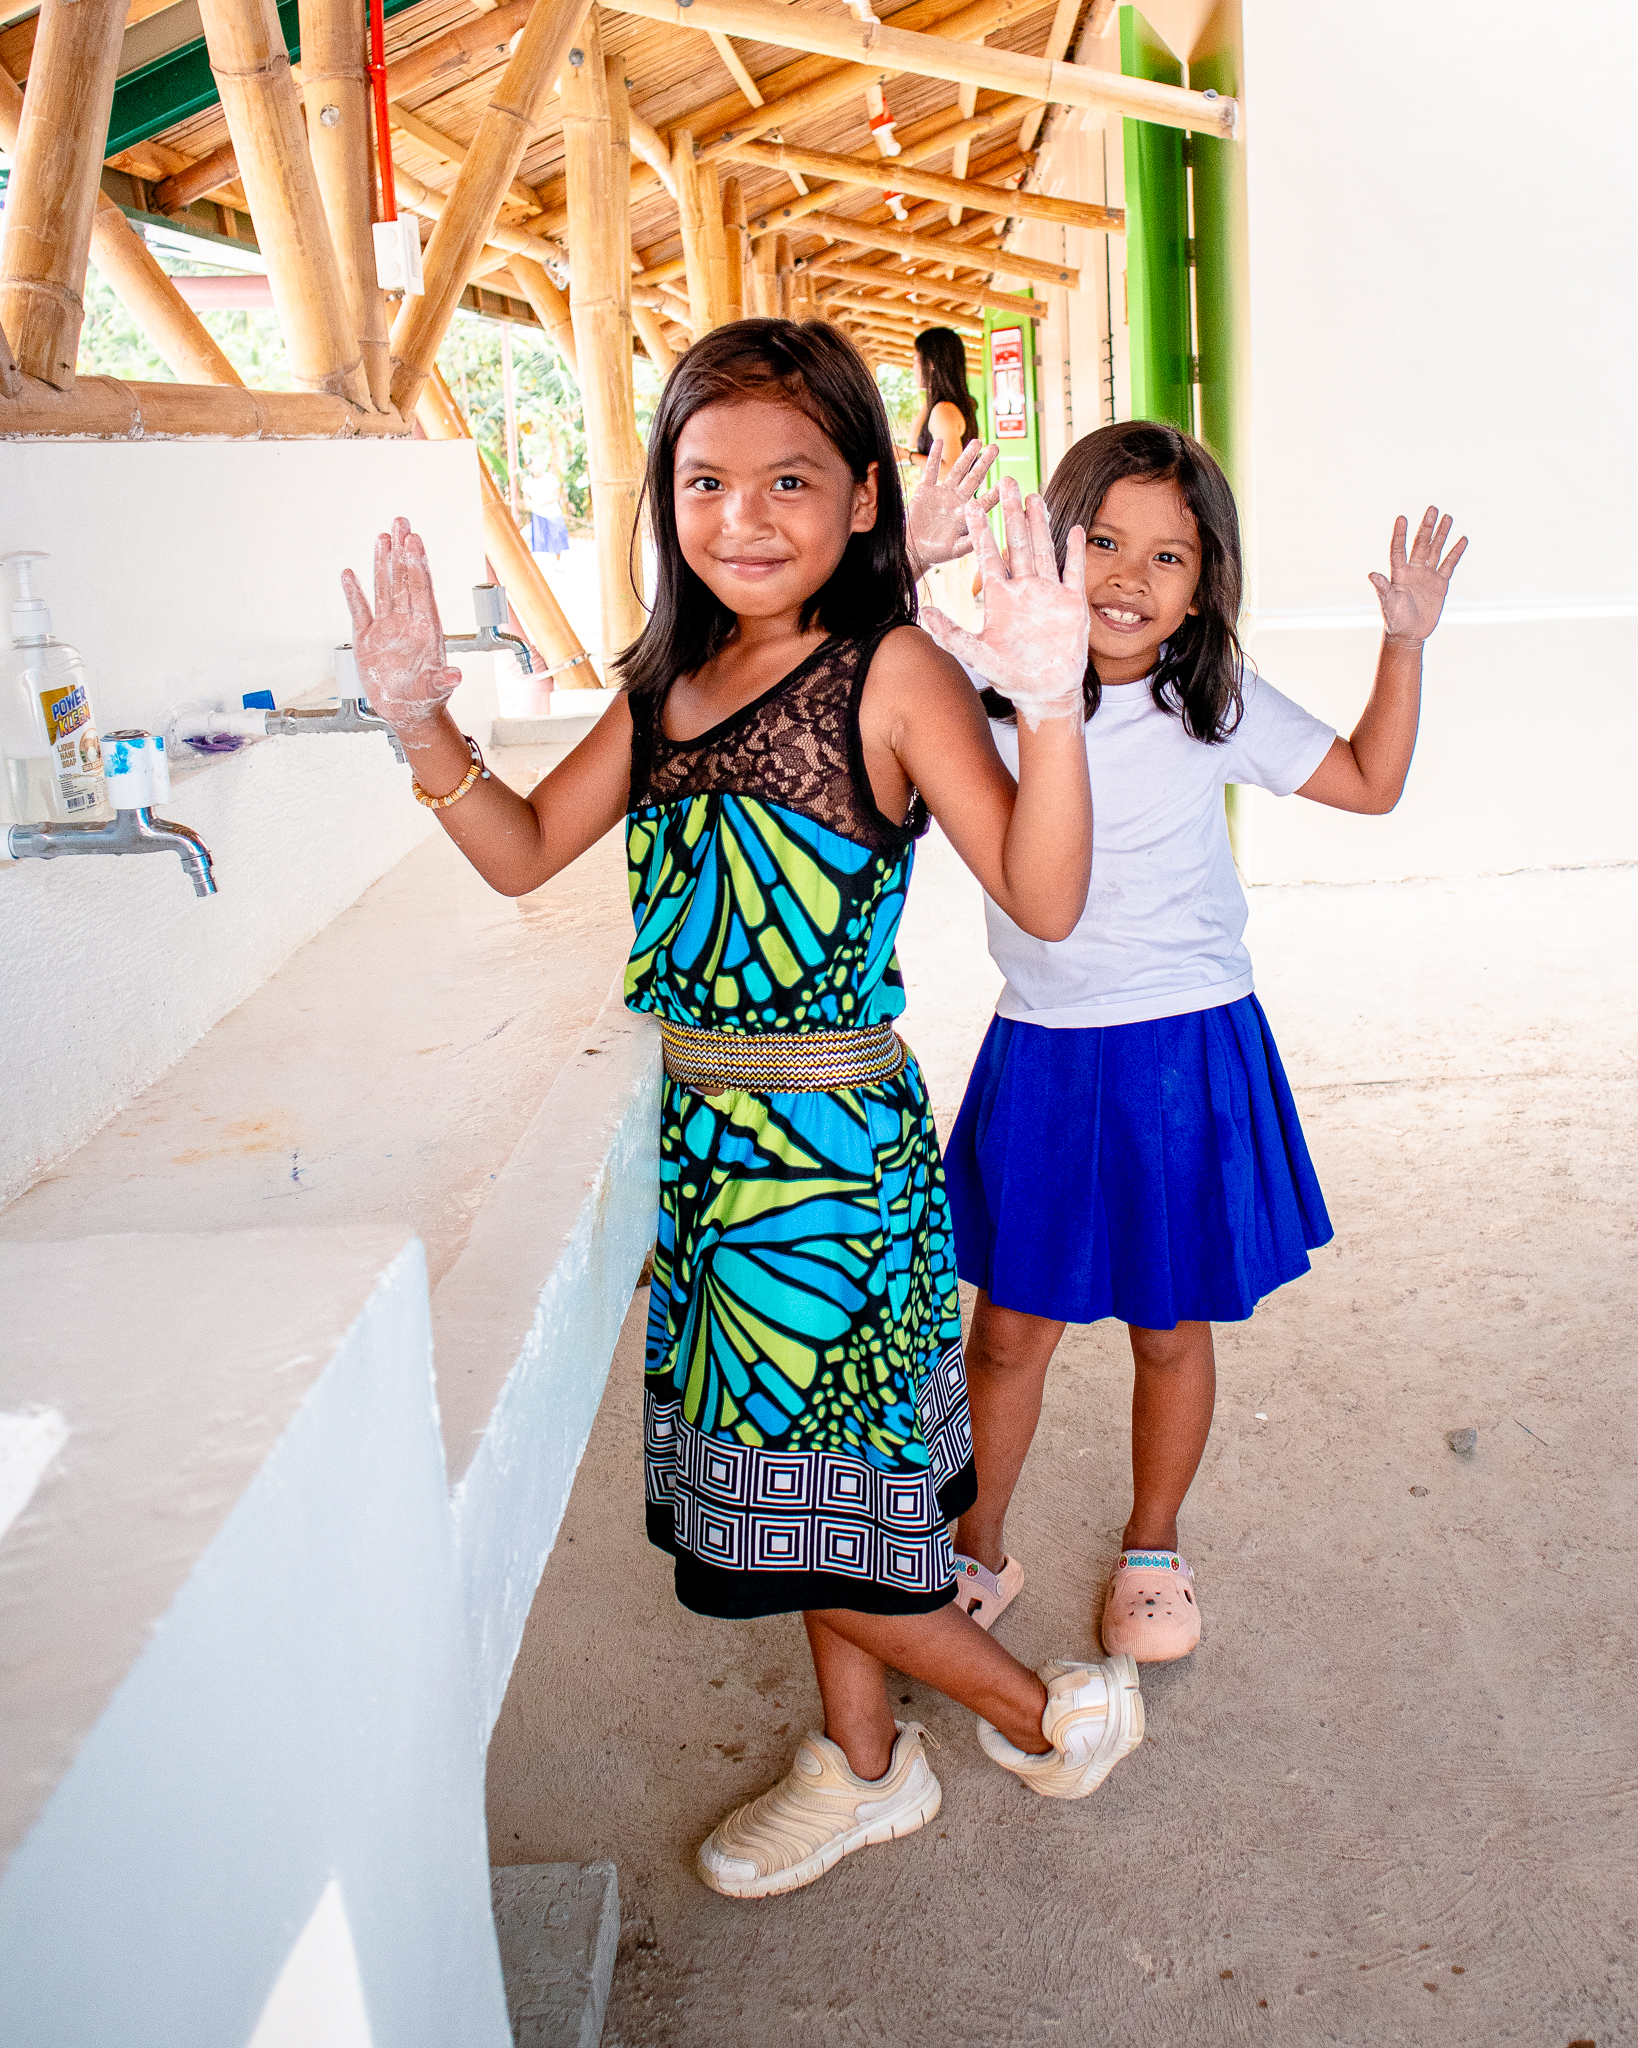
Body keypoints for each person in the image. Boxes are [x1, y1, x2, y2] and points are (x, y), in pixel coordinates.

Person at [340, 320, 1144, 1902]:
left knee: (821, 1531)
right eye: (705, 479)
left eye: (790, 478)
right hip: (709, 1169)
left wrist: (1050, 707)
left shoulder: (890, 670)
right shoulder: (667, 685)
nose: (744, 515)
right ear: (665, 498)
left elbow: (1044, 897)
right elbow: (517, 853)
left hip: (835, 1174)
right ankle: (860, 1767)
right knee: (796, 1510)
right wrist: (418, 720)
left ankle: (1050, 1718)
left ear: (860, 498)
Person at [937, 420, 1467, 1658]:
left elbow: (1369, 780)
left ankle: (1153, 1548)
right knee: (1008, 1328)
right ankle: (973, 1551)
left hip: (1184, 1052)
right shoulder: (993, 691)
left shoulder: (1209, 697)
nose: (1129, 576)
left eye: (1168, 556)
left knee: (1172, 1327)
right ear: (1049, 541)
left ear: (1205, 581)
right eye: (1105, 540)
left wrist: (1404, 642)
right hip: (1049, 1048)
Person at [524, 457, 569, 561]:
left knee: (557, 538)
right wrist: (530, 504)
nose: (538, 467)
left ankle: (559, 562)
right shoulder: (527, 481)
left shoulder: (551, 478)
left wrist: (542, 503)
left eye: (540, 463)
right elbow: (526, 497)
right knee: (539, 540)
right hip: (538, 514)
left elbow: (556, 496)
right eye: (535, 464)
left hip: (553, 513)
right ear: (529, 467)